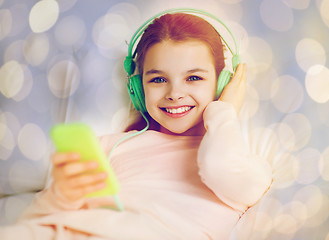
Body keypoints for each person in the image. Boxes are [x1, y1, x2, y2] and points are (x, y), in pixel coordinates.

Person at [0, 11, 273, 240]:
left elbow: (218, 167)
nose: (174, 93)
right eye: (157, 80)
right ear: (137, 90)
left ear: (222, 83)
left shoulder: (245, 165)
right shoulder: (110, 146)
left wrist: (225, 111)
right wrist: (59, 197)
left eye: (193, 78)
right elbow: (34, 222)